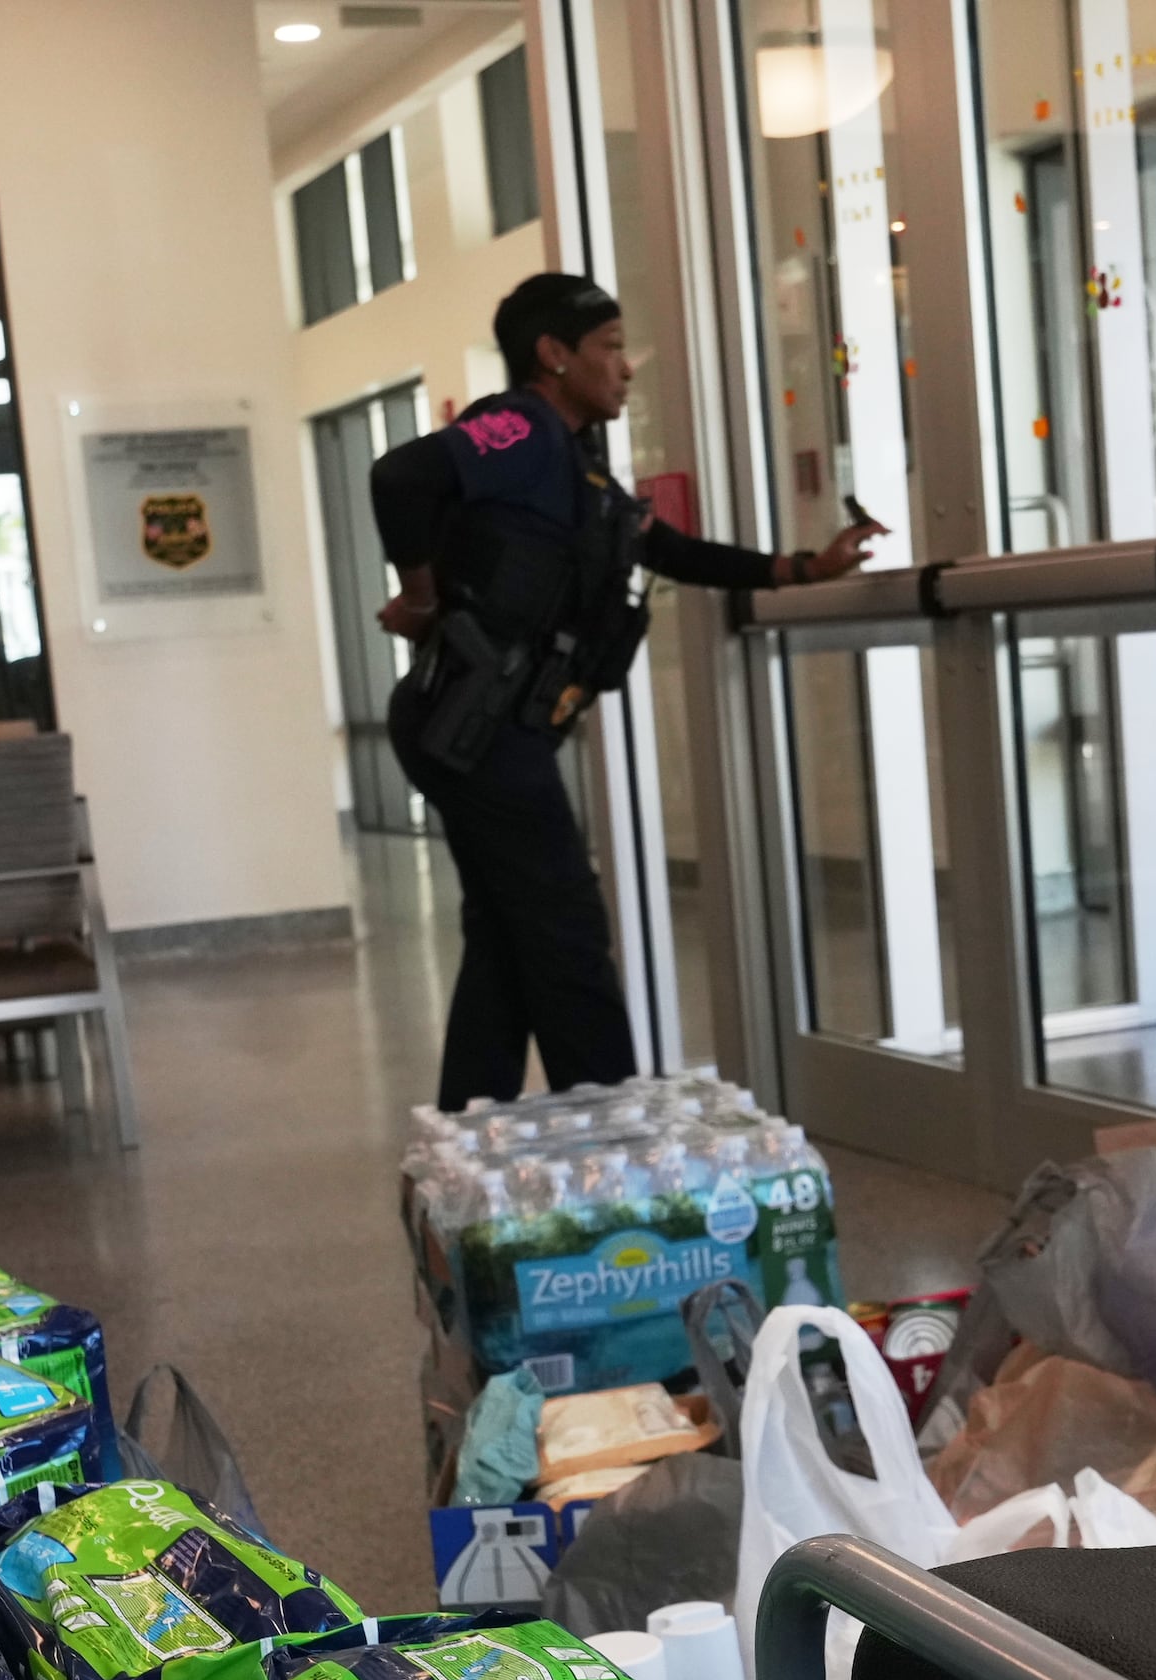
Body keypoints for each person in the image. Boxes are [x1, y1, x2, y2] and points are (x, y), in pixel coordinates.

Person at [369, 271, 882, 1109]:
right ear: (553, 355)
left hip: (491, 728)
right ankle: (619, 1138)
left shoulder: (577, 461)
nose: (625, 368)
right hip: (475, 726)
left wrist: (800, 568)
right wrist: (421, 597)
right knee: (567, 932)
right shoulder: (523, 425)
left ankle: (466, 1132)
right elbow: (400, 479)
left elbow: (662, 548)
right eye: (609, 348)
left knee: (504, 937)